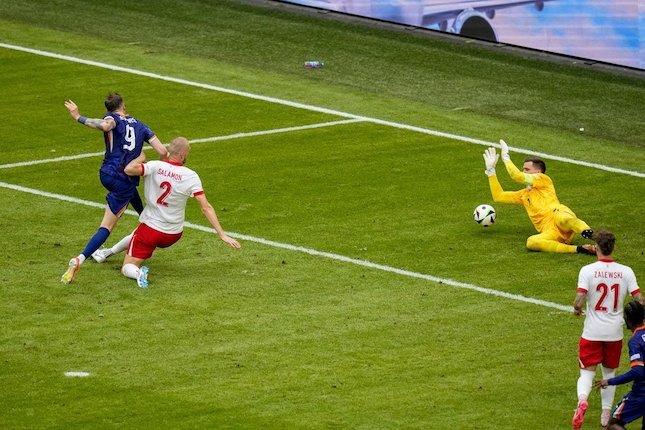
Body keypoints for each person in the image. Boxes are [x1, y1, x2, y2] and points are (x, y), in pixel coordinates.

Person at [98, 136, 241, 288]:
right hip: (173, 234)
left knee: (127, 267)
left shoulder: (154, 166)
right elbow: (206, 207)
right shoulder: (191, 176)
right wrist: (222, 234)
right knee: (135, 235)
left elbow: (128, 169)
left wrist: (140, 157)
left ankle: (138, 273)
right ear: (182, 155)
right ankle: (106, 253)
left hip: (150, 231)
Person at [61, 93, 169, 284]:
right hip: (123, 179)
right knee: (107, 226)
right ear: (124, 106)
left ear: (110, 109)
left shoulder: (111, 118)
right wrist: (160, 168)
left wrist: (79, 117)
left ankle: (144, 217)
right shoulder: (141, 126)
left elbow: (106, 125)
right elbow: (162, 151)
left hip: (106, 173)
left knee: (132, 197)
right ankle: (80, 258)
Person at [571, 230, 642, 430]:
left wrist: (577, 310)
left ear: (596, 248)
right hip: (615, 333)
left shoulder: (587, 270)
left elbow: (579, 300)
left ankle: (582, 401)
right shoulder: (626, 271)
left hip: (592, 332)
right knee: (609, 374)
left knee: (586, 374)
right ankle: (605, 415)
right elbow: (639, 299)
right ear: (613, 247)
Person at [482, 140, 595, 254]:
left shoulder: (544, 180)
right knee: (531, 242)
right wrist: (491, 172)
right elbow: (498, 196)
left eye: (527, 169)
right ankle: (579, 249)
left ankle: (591, 234)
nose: (524, 171)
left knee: (563, 219)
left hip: (558, 214)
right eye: (524, 169)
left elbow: (517, 176)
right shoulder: (523, 195)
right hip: (550, 231)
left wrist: (506, 158)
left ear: (538, 172)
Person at [594, 301, 645, 430]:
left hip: (642, 393)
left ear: (627, 320)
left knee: (612, 424)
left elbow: (638, 372)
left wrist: (610, 381)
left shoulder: (636, 341)